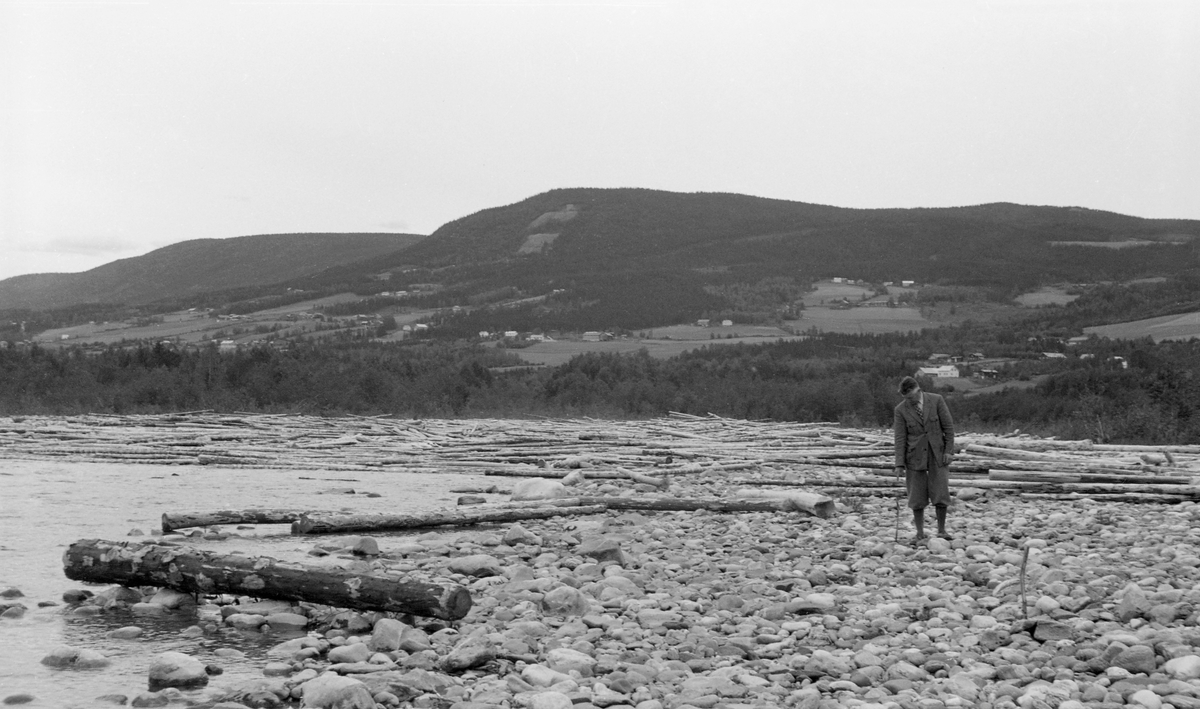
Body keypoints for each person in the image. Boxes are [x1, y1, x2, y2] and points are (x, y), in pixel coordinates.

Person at [893, 376, 955, 542]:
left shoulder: (936, 400)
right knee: (916, 494)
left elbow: (948, 427)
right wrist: (899, 463)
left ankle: (941, 530)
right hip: (914, 455)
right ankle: (920, 532)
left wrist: (949, 451)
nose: (909, 401)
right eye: (906, 398)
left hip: (938, 452)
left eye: (911, 397)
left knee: (941, 490)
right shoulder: (900, 410)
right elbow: (899, 437)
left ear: (918, 390)